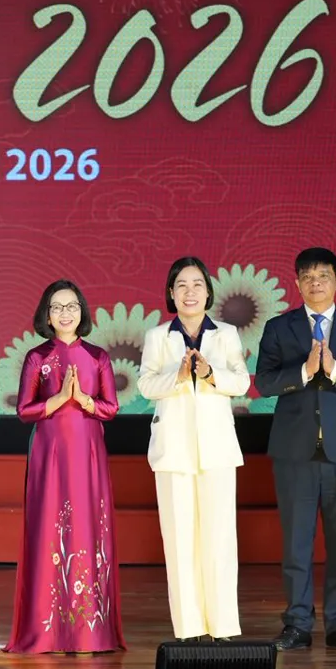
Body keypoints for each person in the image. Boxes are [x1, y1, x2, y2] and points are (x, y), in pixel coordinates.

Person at [253, 246, 336, 652]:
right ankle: (297, 623)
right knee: (296, 543)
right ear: (297, 283)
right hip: (295, 451)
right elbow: (265, 383)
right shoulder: (279, 328)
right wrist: (305, 371)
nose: (316, 283)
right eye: (307, 277)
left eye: (323, 276)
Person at [6, 279, 125, 654]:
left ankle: (89, 631)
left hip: (87, 453)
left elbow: (110, 408)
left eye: (71, 306)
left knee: (88, 528)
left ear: (82, 311)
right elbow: (24, 410)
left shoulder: (97, 356)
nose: (65, 313)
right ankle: (48, 630)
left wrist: (84, 400)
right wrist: (58, 399)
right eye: (56, 307)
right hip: (50, 453)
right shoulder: (37, 357)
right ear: (46, 315)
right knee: (48, 529)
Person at [138, 257, 248, 642]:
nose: (190, 292)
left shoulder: (227, 334)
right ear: (171, 292)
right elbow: (146, 385)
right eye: (181, 285)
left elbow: (241, 382)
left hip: (217, 448)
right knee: (179, 539)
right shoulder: (157, 336)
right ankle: (188, 628)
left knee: (219, 538)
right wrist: (179, 375)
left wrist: (210, 374)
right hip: (173, 449)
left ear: (208, 292)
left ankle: (222, 626)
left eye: (197, 284)